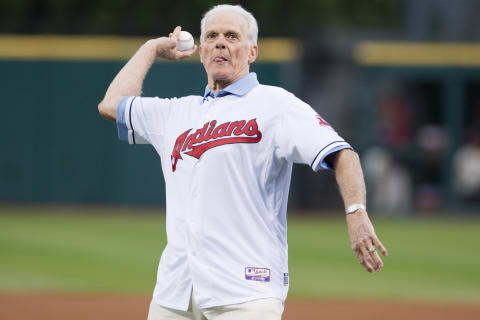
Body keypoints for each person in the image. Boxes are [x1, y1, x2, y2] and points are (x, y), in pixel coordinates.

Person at [98, 4, 388, 320]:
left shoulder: (275, 105)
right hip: (176, 292)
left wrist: (356, 212)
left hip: (246, 292)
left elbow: (343, 153)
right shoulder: (176, 113)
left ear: (252, 52)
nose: (220, 42)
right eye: (212, 36)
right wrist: (151, 48)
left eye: (232, 36)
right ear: (202, 49)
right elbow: (111, 105)